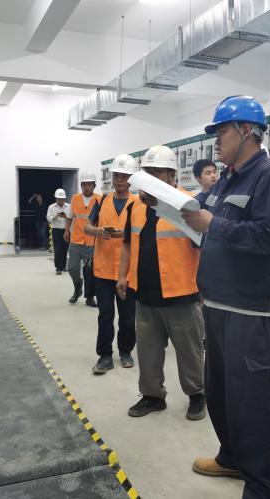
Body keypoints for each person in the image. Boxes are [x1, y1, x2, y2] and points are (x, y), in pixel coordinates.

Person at [183, 96, 270, 499]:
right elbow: (203, 218)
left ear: (247, 131)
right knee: (221, 394)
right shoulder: (227, 179)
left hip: (249, 310)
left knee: (253, 402)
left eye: (222, 131)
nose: (216, 140)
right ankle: (232, 457)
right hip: (217, 304)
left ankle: (263, 486)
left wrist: (212, 224)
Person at [117, 145, 206, 421]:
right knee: (148, 352)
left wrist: (206, 286)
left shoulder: (190, 204)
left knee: (189, 352)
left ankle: (197, 394)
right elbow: (127, 244)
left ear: (171, 175)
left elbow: (204, 247)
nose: (152, 177)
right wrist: (122, 276)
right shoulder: (136, 205)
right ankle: (152, 396)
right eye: (148, 172)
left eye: (158, 172)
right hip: (145, 294)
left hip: (182, 293)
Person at [85, 155, 138, 374]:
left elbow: (141, 233)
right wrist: (98, 231)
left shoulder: (138, 203)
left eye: (124, 176)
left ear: (131, 178)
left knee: (128, 317)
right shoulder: (103, 200)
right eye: (117, 175)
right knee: (105, 316)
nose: (120, 180)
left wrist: (123, 234)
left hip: (128, 272)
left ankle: (125, 351)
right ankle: (105, 356)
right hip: (103, 270)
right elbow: (87, 226)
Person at [65, 172, 100, 306]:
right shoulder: (75, 199)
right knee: (72, 268)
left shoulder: (100, 199)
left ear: (94, 185)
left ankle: (90, 298)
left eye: (89, 184)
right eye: (84, 185)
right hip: (76, 240)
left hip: (92, 242)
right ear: (81, 186)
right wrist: (66, 230)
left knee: (90, 272)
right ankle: (78, 286)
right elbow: (70, 217)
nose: (86, 187)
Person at [46, 188, 71, 275]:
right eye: (59, 199)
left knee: (65, 249)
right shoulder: (51, 207)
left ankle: (63, 266)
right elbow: (48, 218)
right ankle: (58, 268)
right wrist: (55, 216)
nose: (60, 201)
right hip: (56, 230)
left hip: (66, 230)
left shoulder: (69, 206)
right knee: (58, 249)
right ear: (56, 198)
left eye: (62, 199)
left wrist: (66, 216)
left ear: (64, 198)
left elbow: (72, 218)